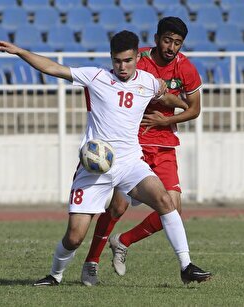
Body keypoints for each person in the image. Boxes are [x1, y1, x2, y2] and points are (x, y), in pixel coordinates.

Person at [0, 30, 211, 286]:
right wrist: (20, 52)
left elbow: (162, 95)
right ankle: (55, 275)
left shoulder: (148, 81)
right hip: (96, 167)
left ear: (135, 58)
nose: (122, 66)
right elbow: (54, 68)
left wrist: (184, 104)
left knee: (166, 201)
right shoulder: (96, 76)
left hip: (130, 163)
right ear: (111, 58)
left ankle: (186, 266)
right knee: (74, 237)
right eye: (118, 61)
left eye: (128, 60)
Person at [81, 17, 208, 286]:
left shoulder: (185, 67)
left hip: (163, 145)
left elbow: (194, 109)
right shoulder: (135, 59)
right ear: (157, 37)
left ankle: (123, 242)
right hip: (133, 144)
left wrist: (166, 120)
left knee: (172, 207)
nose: (172, 47)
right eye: (167, 40)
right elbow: (107, 85)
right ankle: (92, 261)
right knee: (117, 207)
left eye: (177, 43)